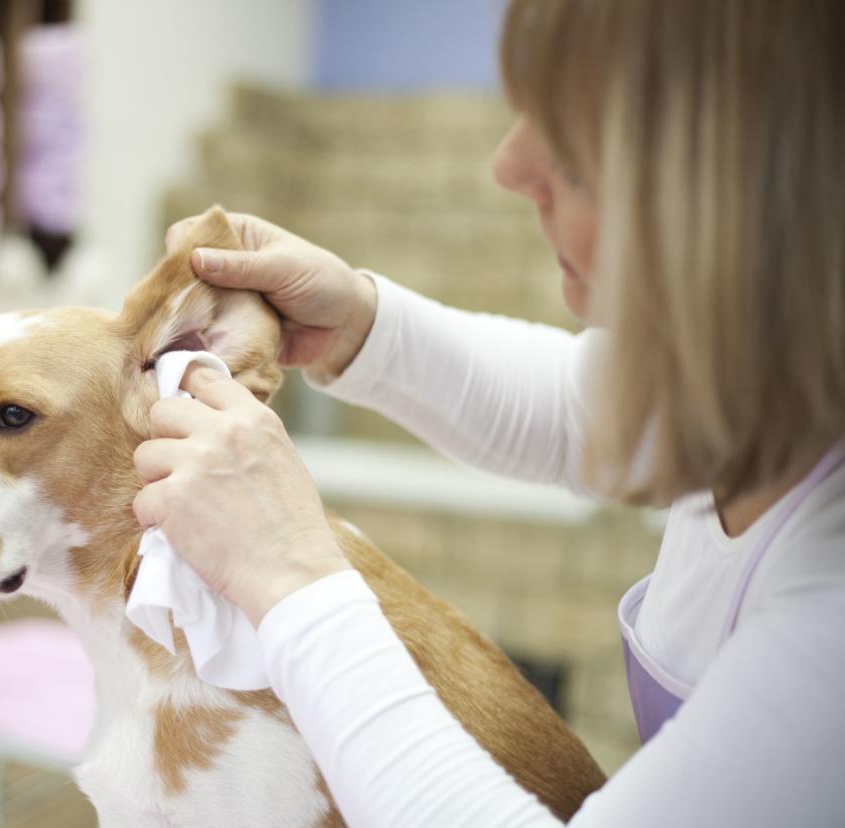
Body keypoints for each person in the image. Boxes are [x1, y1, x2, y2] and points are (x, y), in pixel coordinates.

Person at [131, 0, 845, 825]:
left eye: (574, 155)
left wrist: (290, 575)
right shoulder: (761, 386)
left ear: (740, 212)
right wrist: (357, 323)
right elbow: (570, 404)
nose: (510, 165)